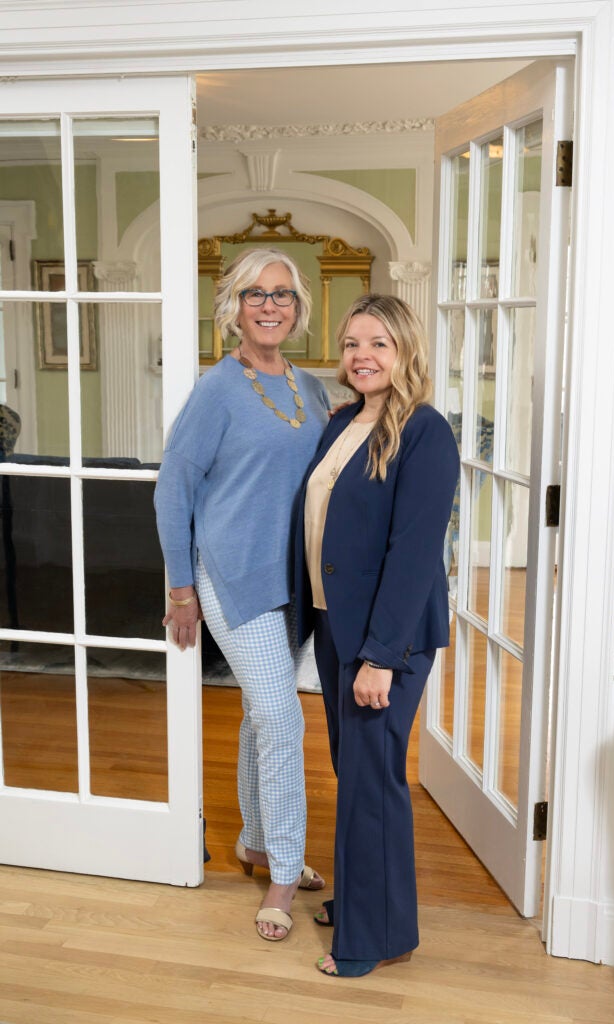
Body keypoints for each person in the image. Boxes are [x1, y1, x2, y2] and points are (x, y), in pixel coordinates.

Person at [154, 247, 330, 942]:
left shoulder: (309, 388)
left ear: (298, 308)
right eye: (255, 293)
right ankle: (283, 873)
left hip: (293, 582)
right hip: (231, 576)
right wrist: (181, 590)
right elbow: (173, 491)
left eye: (282, 293)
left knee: (262, 714)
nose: (269, 305)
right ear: (232, 306)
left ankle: (256, 842)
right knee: (283, 720)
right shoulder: (217, 390)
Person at [294, 293, 460, 977]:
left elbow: (414, 551)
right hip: (338, 622)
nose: (362, 355)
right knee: (357, 773)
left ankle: (371, 941)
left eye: (378, 344)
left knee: (372, 781)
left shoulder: (424, 431)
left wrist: (381, 657)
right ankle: (370, 904)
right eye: (352, 343)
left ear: (404, 351)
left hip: (385, 638)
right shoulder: (343, 421)